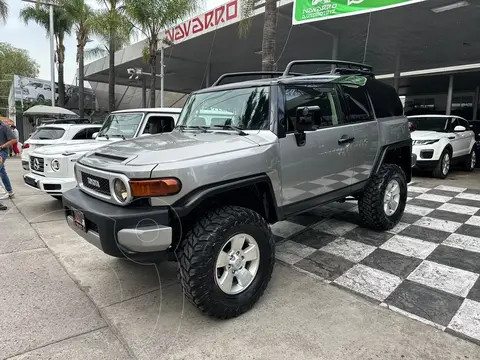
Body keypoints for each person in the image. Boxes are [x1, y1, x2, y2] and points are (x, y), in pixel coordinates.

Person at [0, 121, 17, 205]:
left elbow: (14, 140)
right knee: (2, 172)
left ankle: (3, 192)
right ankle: (10, 192)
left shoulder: (4, 127)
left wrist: (2, 146)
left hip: (2, 152)